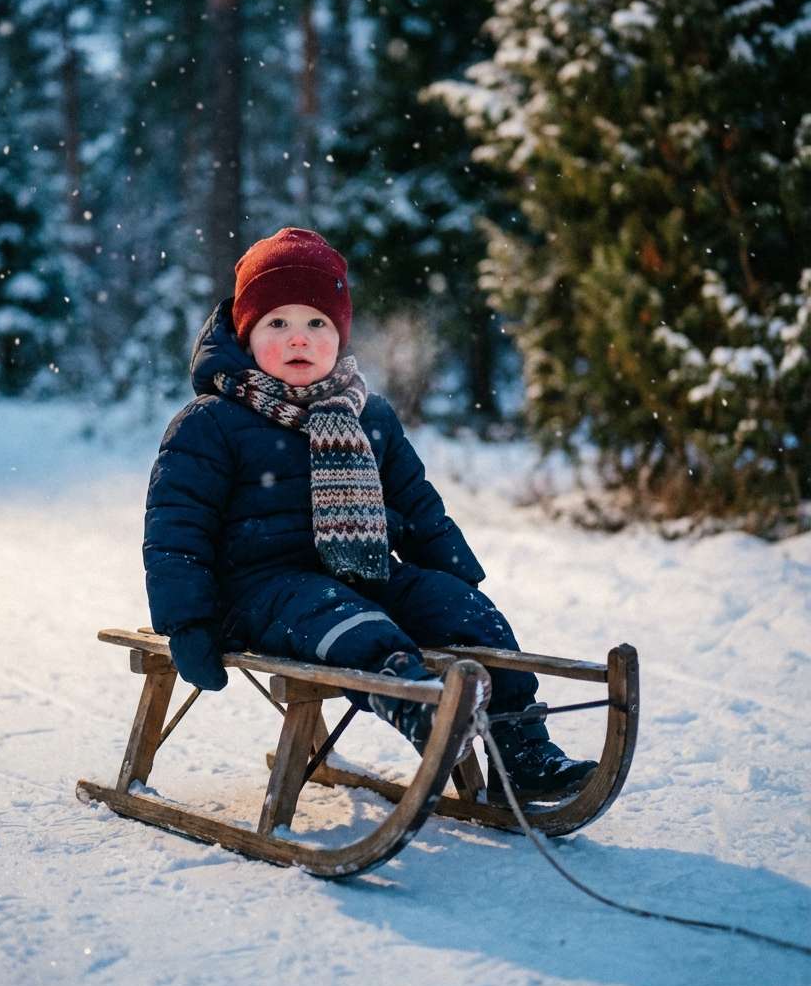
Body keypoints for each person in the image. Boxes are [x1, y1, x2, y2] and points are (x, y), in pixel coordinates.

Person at [143, 227, 596, 798]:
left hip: (368, 572)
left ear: (339, 336)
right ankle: (424, 714)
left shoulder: (369, 415)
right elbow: (175, 532)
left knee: (469, 615)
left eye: (317, 323)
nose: (298, 338)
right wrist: (187, 623)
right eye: (276, 323)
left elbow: (416, 503)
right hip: (260, 590)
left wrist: (457, 580)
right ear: (246, 333)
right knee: (348, 621)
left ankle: (521, 753)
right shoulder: (211, 422)